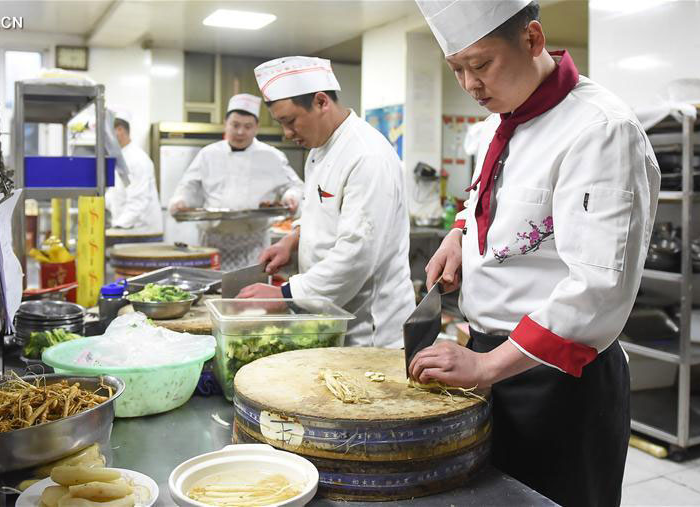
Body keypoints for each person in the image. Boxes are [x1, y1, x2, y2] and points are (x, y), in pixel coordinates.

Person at [409, 1, 660, 506]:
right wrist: (460, 234)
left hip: (557, 385)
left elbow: (598, 289)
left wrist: (486, 367)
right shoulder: (500, 121)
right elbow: (487, 196)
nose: (470, 85)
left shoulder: (600, 130)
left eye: (480, 65)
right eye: (456, 69)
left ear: (532, 39)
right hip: (491, 363)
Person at [238, 56, 415, 348]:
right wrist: (293, 240)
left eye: (290, 121)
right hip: (330, 319)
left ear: (321, 102)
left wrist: (285, 294)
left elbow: (356, 253)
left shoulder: (366, 155)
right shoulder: (320, 149)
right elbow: (320, 213)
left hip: (369, 333)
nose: (287, 133)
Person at [169, 94, 303, 270]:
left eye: (247, 126)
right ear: (226, 123)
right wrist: (181, 201)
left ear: (257, 127)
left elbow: (293, 186)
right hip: (212, 242)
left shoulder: (272, 156)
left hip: (253, 244)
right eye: (235, 125)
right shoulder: (208, 154)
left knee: (252, 292)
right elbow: (189, 186)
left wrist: (291, 196)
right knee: (212, 291)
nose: (240, 132)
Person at [104, 118, 163, 234]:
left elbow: (139, 200)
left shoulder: (137, 159)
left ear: (120, 130)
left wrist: (118, 226)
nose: (105, 139)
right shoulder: (121, 157)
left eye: (106, 134)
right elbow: (116, 193)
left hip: (142, 232)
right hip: (127, 228)